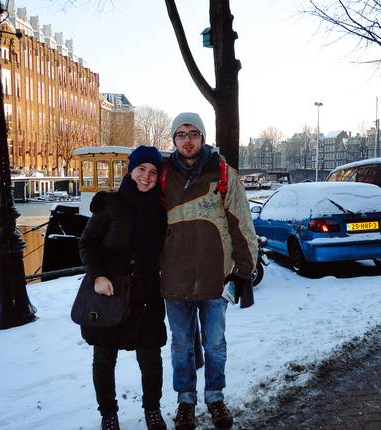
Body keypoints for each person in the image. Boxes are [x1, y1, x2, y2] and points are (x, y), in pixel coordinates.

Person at [160, 112, 258, 430]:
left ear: (202, 138)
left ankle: (215, 397)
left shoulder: (223, 173)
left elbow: (242, 224)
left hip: (216, 277)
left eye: (193, 133)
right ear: (174, 140)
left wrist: (244, 270)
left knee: (215, 344)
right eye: (181, 134)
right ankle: (185, 402)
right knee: (181, 345)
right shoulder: (162, 175)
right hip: (174, 279)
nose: (187, 140)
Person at [78, 146, 168, 430]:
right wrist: (98, 276)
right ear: (130, 170)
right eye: (141, 169)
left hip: (147, 293)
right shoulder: (111, 204)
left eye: (153, 172)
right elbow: (87, 242)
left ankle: (152, 409)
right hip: (112, 292)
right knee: (104, 358)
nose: (146, 176)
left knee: (151, 358)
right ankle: (108, 413)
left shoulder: (162, 208)